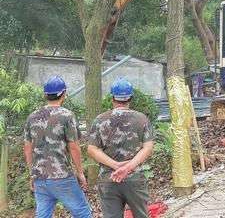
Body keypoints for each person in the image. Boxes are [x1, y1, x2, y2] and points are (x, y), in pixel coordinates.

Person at [23, 76, 92, 218]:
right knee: (82, 212)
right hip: (62, 177)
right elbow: (74, 147)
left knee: (43, 215)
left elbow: (27, 148)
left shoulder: (32, 117)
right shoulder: (67, 116)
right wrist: (80, 173)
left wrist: (32, 173)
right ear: (63, 94)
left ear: (45, 94)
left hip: (40, 177)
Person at [88, 77, 154, 218]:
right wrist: (127, 168)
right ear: (130, 98)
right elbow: (148, 148)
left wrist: (115, 165)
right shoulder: (142, 119)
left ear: (112, 97)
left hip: (108, 178)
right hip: (134, 178)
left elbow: (92, 149)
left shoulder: (100, 120)